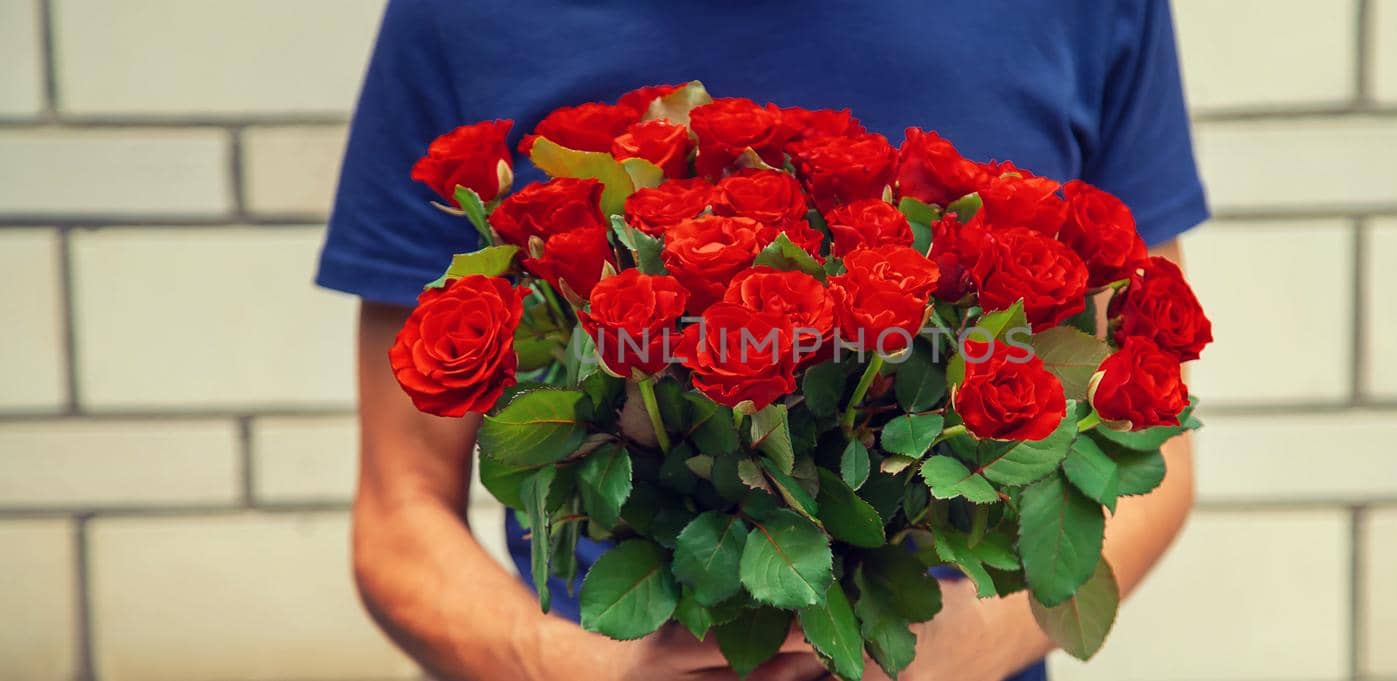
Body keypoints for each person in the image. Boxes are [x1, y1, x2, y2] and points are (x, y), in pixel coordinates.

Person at [317, 1, 1206, 679]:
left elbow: (1146, 447)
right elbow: (398, 509)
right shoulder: (461, 17)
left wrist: (951, 650)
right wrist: (578, 665)